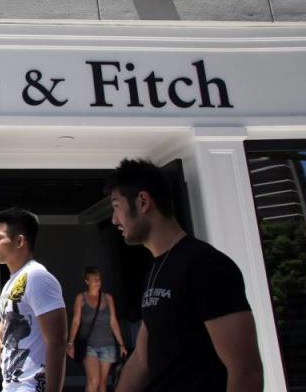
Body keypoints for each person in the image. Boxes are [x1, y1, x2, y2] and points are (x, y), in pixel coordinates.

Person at [109, 158, 263, 392]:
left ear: (142, 202)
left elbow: (245, 369)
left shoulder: (206, 265)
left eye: (116, 206)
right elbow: (141, 360)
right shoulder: (155, 270)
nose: (114, 220)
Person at [0, 208, 67, 392]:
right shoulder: (13, 283)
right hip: (12, 386)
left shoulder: (37, 277)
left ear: (19, 241)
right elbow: (2, 335)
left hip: (32, 387)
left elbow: (57, 342)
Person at [67, 267, 128, 392]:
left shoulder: (108, 298)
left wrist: (121, 344)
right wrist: (71, 343)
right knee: (93, 380)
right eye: (94, 279)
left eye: (99, 279)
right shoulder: (81, 298)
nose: (97, 282)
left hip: (108, 344)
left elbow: (113, 322)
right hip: (89, 345)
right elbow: (76, 321)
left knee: (102, 383)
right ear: (87, 281)